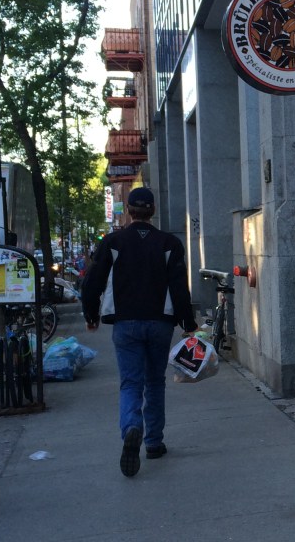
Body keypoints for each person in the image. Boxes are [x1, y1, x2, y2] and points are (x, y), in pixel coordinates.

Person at [81, 187, 198, 477]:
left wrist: (91, 315)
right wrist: (188, 323)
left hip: (126, 323)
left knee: (130, 383)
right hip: (160, 322)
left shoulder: (113, 242)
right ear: (153, 210)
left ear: (130, 211)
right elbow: (179, 287)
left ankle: (132, 427)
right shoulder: (169, 243)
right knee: (155, 382)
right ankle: (154, 443)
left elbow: (92, 282)